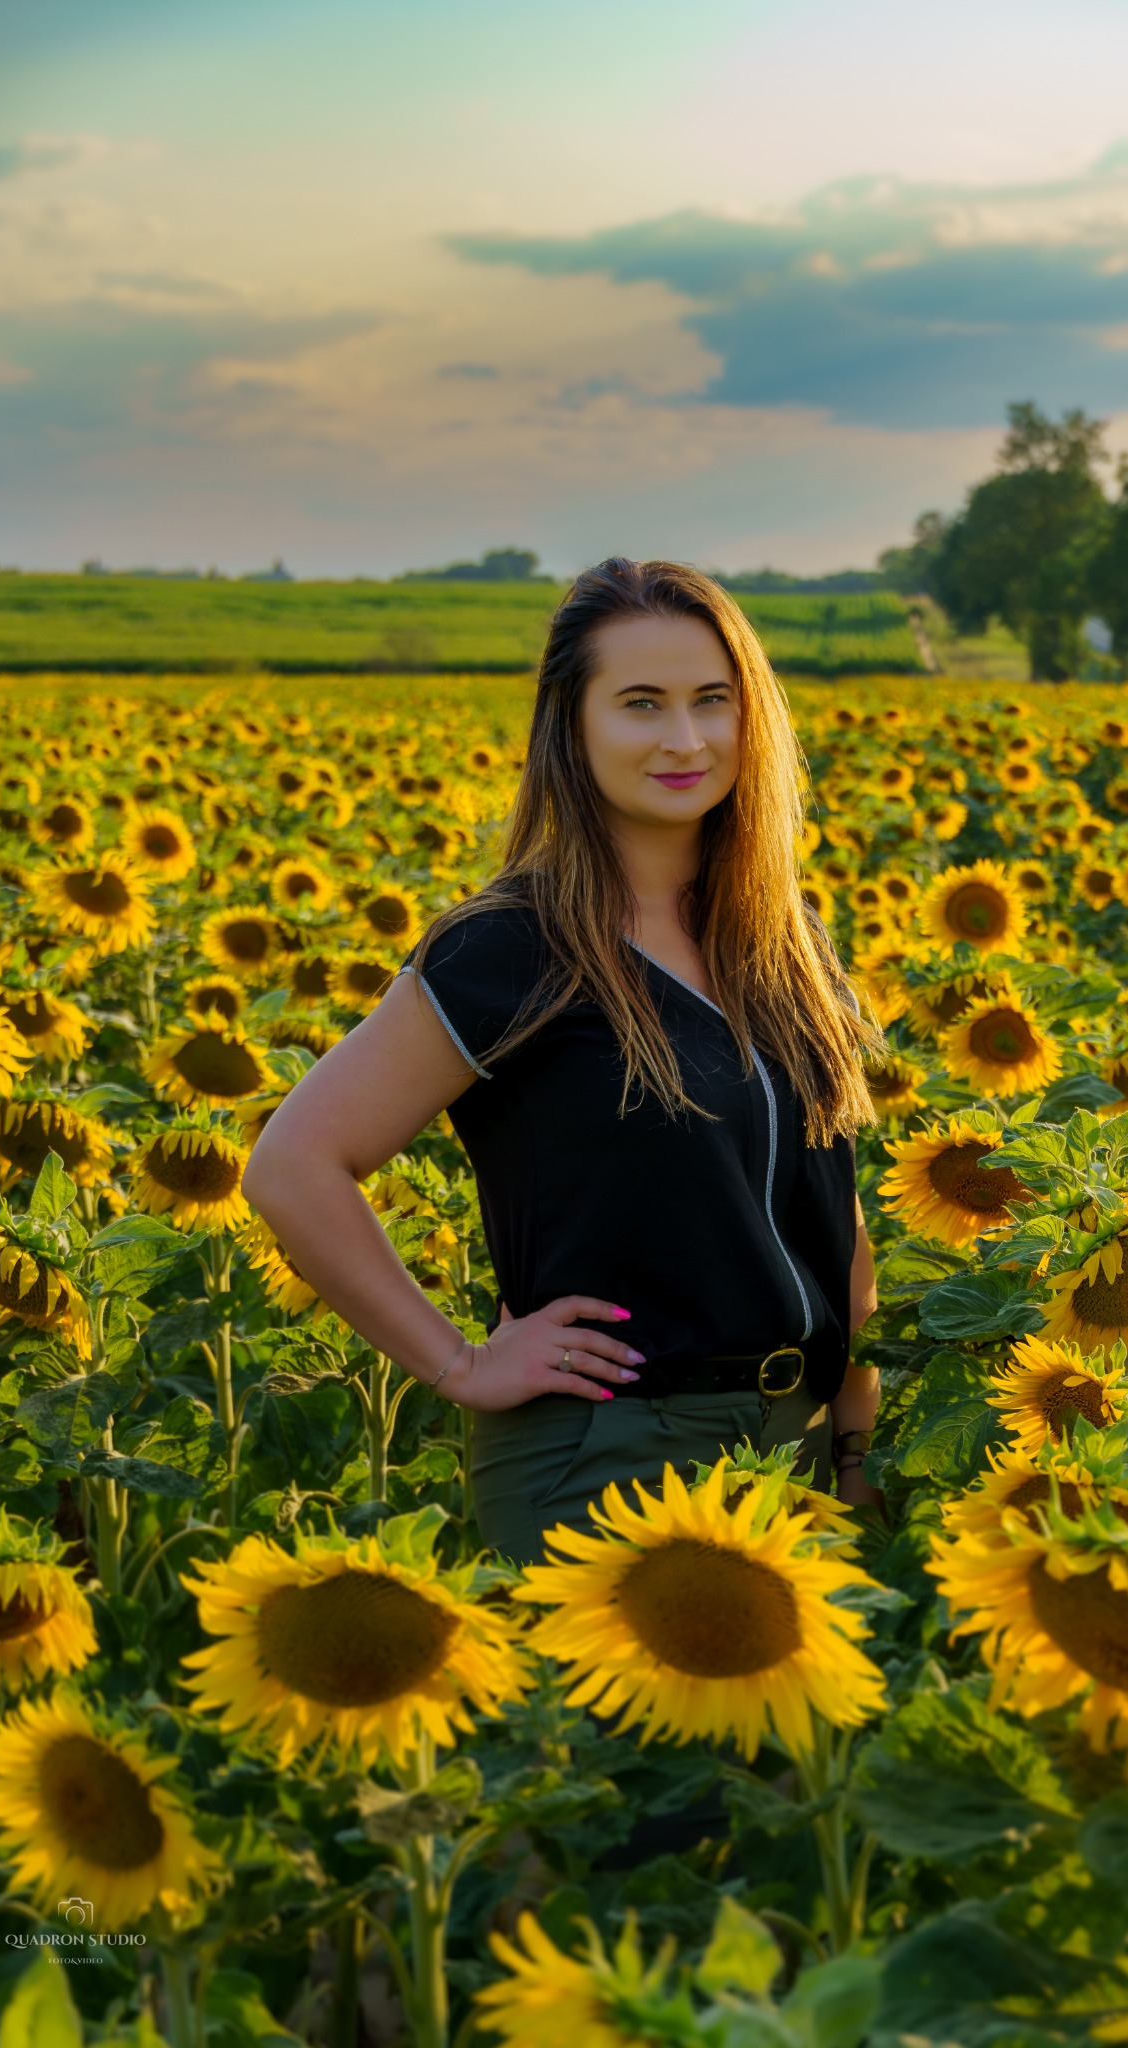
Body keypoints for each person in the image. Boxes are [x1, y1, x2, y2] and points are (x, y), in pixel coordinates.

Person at [242, 557, 884, 1565]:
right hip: (605, 1457)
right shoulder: (513, 948)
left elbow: (832, 1220)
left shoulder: (785, 943)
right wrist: (456, 1363)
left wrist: (852, 1447)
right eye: (641, 704)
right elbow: (293, 1164)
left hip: (793, 1452)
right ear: (570, 727)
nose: (685, 738)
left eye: (713, 701)